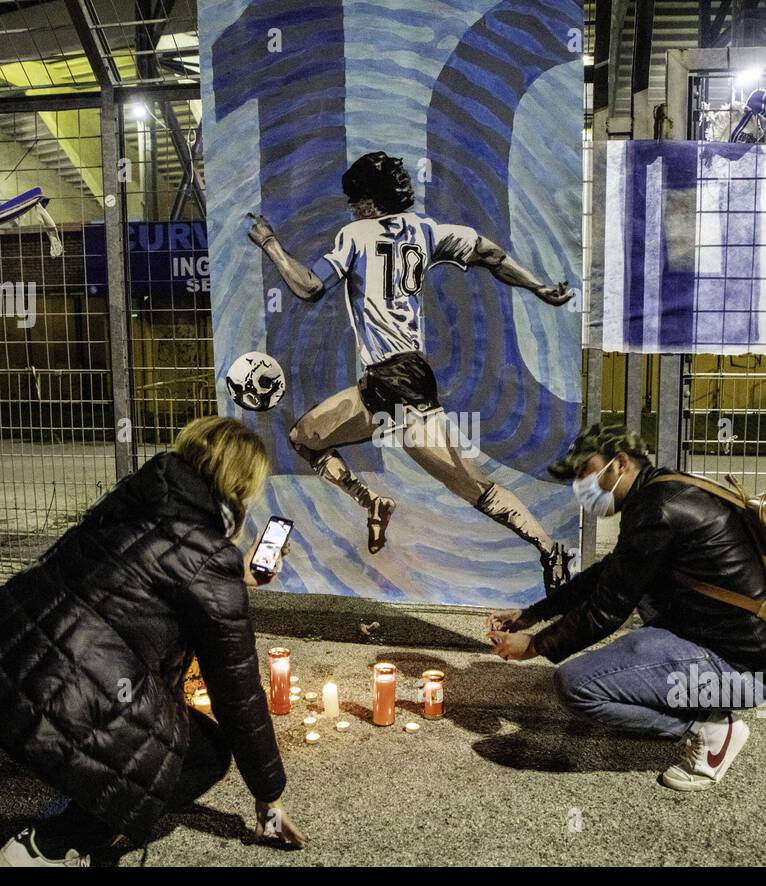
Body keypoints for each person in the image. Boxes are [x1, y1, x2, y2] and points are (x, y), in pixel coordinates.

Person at [0, 415, 306, 866]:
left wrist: (231, 573)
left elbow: (144, 577)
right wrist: (269, 797)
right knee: (202, 755)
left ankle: (70, 776)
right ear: (239, 489)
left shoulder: (133, 498)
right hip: (60, 699)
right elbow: (237, 693)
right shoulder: (208, 558)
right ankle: (49, 844)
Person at [246, 150, 574, 595]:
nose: (351, 208)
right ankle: (373, 502)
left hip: (401, 384)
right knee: (306, 437)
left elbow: (308, 285)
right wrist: (538, 286)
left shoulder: (355, 234)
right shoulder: (429, 230)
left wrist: (270, 244)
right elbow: (492, 255)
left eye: (354, 201)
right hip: (381, 383)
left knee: (474, 488)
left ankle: (548, 549)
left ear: (367, 201)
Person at [486, 422, 766, 791]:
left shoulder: (658, 511)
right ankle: (691, 705)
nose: (581, 487)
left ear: (619, 463)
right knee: (637, 619)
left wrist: (536, 646)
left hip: (741, 671)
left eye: (586, 473)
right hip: (749, 655)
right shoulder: (665, 492)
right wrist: (532, 614)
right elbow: (611, 573)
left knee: (577, 685)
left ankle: (711, 731)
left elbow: (606, 609)